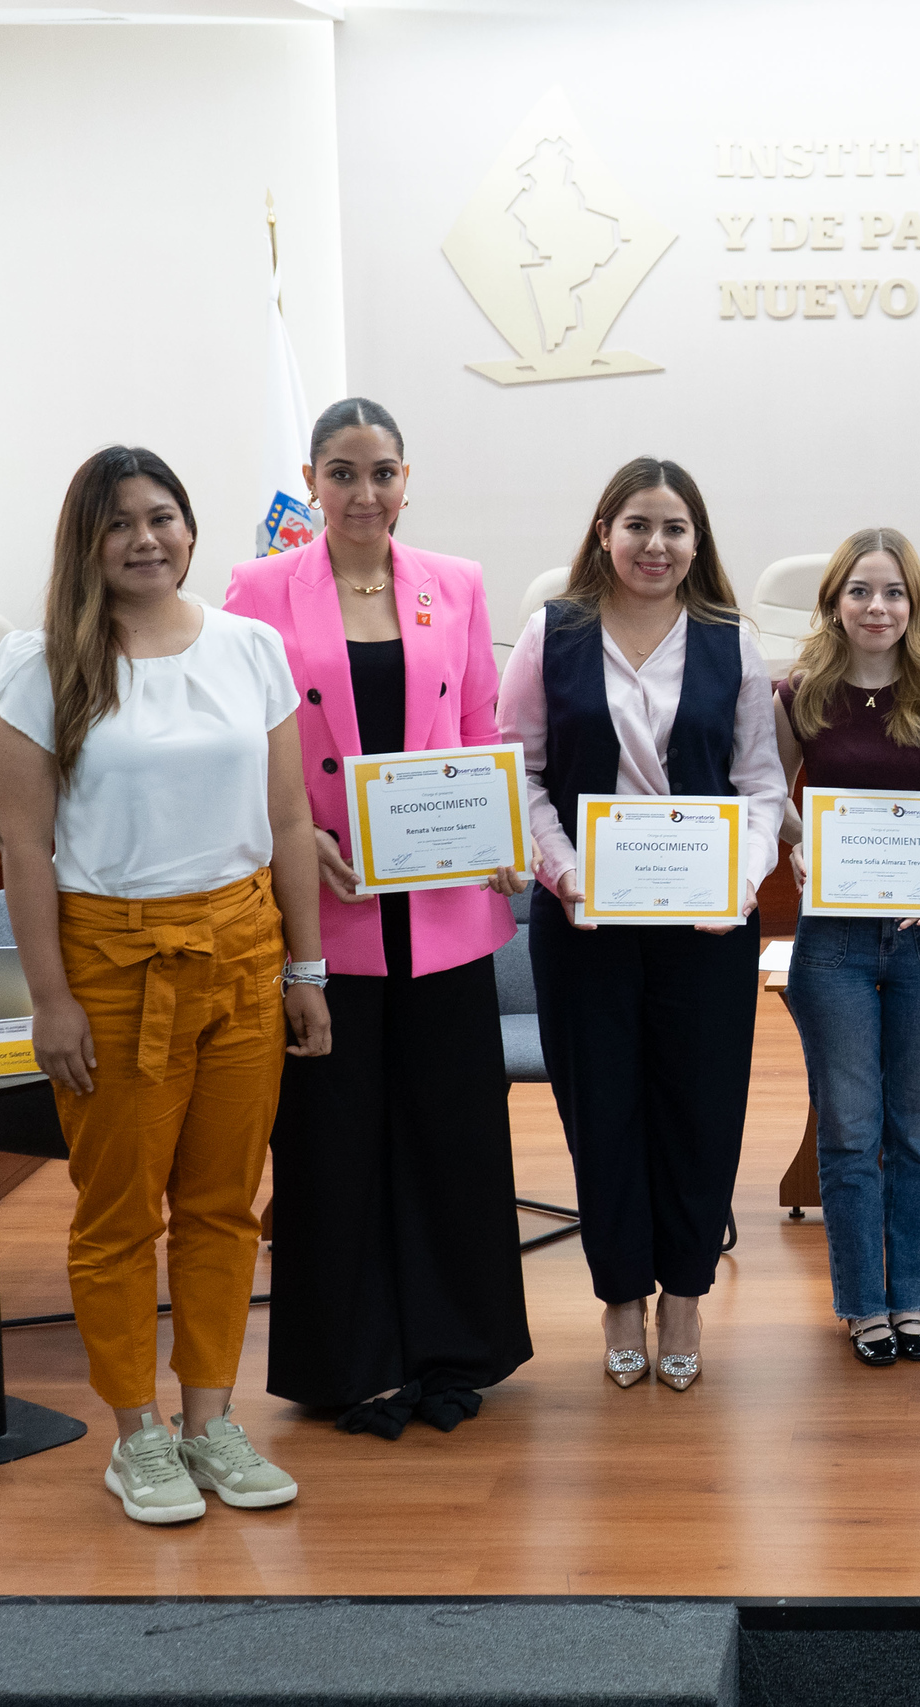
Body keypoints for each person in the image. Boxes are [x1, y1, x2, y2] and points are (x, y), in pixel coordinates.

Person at [0, 445, 330, 1525]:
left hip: (239, 949)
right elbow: (24, 853)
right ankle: (136, 1432)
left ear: (190, 528)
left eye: (164, 516)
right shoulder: (36, 668)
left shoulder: (251, 647)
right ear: (86, 540)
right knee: (120, 1212)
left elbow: (285, 822)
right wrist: (51, 1000)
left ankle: (209, 1419)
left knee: (224, 1205)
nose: (146, 538)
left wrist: (304, 967)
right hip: (111, 960)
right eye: (120, 521)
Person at [223, 396, 534, 1439]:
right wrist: (287, 838)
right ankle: (348, 1360)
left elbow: (482, 721)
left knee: (450, 1133)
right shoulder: (258, 591)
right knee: (335, 1141)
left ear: (409, 480)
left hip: (442, 906)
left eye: (383, 472)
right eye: (344, 473)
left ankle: (457, 1347)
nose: (365, 493)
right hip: (327, 907)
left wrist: (498, 827)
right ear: (311, 480)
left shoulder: (459, 583)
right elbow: (238, 744)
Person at [499, 456, 785, 1392]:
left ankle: (686, 1293)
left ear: (697, 542)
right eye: (637, 526)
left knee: (702, 1108)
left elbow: (760, 786)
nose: (654, 545)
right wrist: (565, 871)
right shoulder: (552, 634)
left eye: (674, 529)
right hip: (582, 919)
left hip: (707, 924)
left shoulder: (732, 642)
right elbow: (521, 769)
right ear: (602, 534)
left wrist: (738, 884)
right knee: (602, 1109)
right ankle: (621, 1292)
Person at [773, 528, 920, 1367]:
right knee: (852, 1129)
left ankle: (914, 1299)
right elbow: (766, 791)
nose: (877, 607)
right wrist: (796, 840)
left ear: (913, 603)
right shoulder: (800, 694)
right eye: (861, 590)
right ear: (835, 600)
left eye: (893, 592)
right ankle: (865, 1305)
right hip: (833, 941)